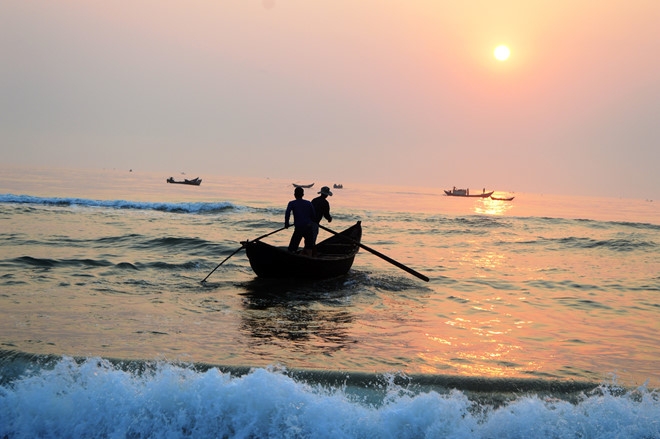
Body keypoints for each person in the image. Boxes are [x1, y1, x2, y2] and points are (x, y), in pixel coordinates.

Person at [285, 186, 316, 255]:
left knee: (292, 248)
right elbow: (313, 215)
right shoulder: (309, 203)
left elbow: (287, 213)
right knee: (309, 247)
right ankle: (309, 260)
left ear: (294, 195)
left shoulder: (292, 203)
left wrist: (286, 223)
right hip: (308, 227)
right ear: (303, 195)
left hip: (299, 228)